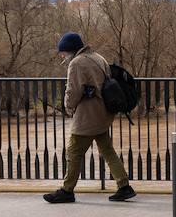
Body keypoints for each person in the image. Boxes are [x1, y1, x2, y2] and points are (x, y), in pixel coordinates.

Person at [43, 32, 134, 203]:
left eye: (63, 52)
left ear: (70, 51)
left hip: (87, 117)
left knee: (73, 151)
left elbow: (73, 92)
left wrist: (67, 105)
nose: (62, 56)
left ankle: (67, 190)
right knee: (107, 150)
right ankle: (124, 186)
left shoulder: (76, 63)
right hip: (103, 113)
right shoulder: (97, 56)